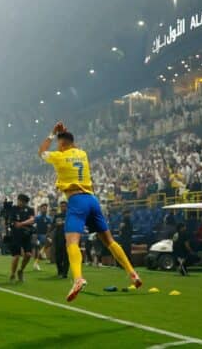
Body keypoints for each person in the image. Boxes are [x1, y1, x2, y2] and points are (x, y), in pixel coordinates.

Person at [38, 121, 141, 302]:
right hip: (92, 199)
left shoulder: (59, 157)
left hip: (76, 201)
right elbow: (71, 145)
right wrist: (65, 135)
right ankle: (132, 273)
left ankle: (78, 278)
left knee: (72, 241)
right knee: (109, 240)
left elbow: (41, 153)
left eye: (58, 144)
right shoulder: (82, 154)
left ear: (61, 144)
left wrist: (52, 134)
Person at [8, 194, 35, 282]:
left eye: (22, 201)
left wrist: (22, 224)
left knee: (28, 255)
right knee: (16, 256)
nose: (20, 202)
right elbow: (12, 222)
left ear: (25, 202)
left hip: (27, 235)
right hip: (15, 235)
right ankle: (12, 273)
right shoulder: (13, 209)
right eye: (19, 200)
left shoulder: (30, 210)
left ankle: (21, 270)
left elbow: (32, 220)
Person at [33, 204, 52, 271]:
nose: (44, 209)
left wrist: (48, 234)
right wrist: (35, 235)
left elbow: (50, 227)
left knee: (49, 242)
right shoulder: (37, 217)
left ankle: (37, 262)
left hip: (45, 234)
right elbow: (34, 226)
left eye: (45, 208)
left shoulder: (49, 218)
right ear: (40, 209)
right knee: (40, 247)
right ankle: (38, 259)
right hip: (38, 234)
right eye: (43, 208)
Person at [52, 201, 69, 278]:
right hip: (58, 237)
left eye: (64, 206)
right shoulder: (57, 216)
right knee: (58, 256)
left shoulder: (70, 215)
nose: (63, 208)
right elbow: (53, 225)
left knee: (66, 256)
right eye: (62, 206)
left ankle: (65, 273)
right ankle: (60, 271)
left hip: (68, 237)